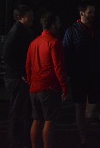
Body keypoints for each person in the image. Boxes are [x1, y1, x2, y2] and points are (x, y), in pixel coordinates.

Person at [63, 3, 100, 147]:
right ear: (82, 13)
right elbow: (66, 54)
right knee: (80, 107)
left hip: (96, 74)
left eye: (94, 12)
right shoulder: (72, 31)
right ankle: (84, 139)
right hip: (80, 77)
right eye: (90, 12)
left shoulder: (99, 29)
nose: (93, 15)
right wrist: (69, 74)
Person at [25, 11, 68, 148]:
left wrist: (31, 82)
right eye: (58, 22)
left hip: (35, 87)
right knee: (50, 120)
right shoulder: (55, 43)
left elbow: (28, 65)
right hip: (49, 87)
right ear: (53, 24)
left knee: (36, 119)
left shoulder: (34, 43)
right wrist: (64, 87)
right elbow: (58, 67)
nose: (60, 25)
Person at [2, 5, 35, 148]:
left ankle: (22, 140)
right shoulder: (17, 32)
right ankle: (15, 142)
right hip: (16, 78)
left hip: (18, 76)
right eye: (29, 15)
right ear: (20, 17)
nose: (32, 18)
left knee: (23, 110)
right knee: (17, 111)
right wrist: (20, 72)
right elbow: (7, 55)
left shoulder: (23, 31)